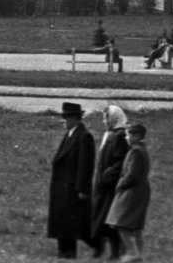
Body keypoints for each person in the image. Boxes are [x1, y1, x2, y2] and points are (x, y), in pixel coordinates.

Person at [47, 101, 96, 259]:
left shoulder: (83, 136)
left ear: (75, 118)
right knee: (63, 221)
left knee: (71, 223)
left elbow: (86, 164)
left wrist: (83, 188)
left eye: (66, 118)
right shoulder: (69, 135)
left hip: (72, 188)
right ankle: (63, 250)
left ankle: (70, 251)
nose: (64, 121)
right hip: (63, 188)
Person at [105, 122, 151, 262]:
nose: (126, 138)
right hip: (141, 189)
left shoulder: (135, 151)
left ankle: (133, 253)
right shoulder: (142, 149)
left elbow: (131, 174)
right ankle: (139, 253)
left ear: (136, 136)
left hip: (131, 190)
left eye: (128, 135)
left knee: (121, 222)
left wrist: (120, 185)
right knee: (136, 225)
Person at [90, 105, 131, 260]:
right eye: (104, 118)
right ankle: (100, 249)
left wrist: (107, 175)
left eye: (107, 118)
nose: (104, 121)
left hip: (110, 185)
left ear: (114, 118)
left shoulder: (120, 135)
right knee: (100, 216)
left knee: (110, 219)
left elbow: (121, 161)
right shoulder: (110, 134)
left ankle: (115, 252)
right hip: (102, 184)